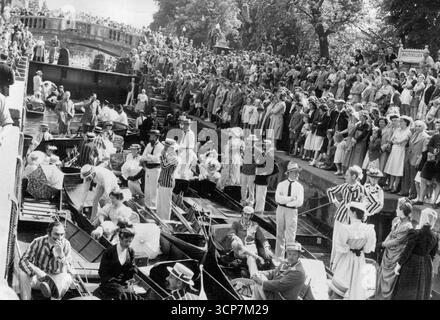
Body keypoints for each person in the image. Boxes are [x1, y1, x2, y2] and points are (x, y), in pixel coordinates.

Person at [327, 166, 379, 268]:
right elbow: (330, 191)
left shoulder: (362, 189)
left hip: (353, 220)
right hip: (341, 217)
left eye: (347, 175)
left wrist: (364, 212)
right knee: (337, 241)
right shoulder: (344, 186)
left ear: (354, 176)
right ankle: (333, 265)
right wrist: (335, 202)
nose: (345, 177)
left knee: (349, 244)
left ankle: (345, 266)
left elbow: (375, 203)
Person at [331, 202, 376, 300]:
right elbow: (368, 249)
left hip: (346, 259)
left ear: (353, 212)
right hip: (360, 259)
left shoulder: (345, 228)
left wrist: (334, 263)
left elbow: (341, 249)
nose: (348, 212)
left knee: (340, 287)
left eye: (349, 211)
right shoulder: (369, 229)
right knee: (357, 287)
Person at [19, 222, 74, 300]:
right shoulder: (38, 242)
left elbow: (66, 270)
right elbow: (23, 261)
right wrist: (39, 272)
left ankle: (54, 298)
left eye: (62, 234)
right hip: (39, 279)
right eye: (56, 234)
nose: (60, 238)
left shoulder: (66, 244)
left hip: (55, 283)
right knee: (23, 274)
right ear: (48, 233)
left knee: (67, 277)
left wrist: (61, 255)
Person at [393, 208, 439, 300]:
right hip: (427, 265)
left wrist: (398, 264)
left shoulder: (415, 233)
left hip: (412, 264)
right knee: (421, 291)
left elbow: (407, 250)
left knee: (407, 290)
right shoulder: (435, 236)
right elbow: (433, 255)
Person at [375, 200, 413, 300]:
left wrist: (383, 244)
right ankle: (378, 295)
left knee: (390, 278)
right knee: (382, 273)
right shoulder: (397, 220)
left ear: (403, 212)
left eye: (398, 209)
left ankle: (386, 297)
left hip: (396, 253)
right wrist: (384, 244)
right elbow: (391, 234)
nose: (396, 209)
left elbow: (397, 241)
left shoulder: (407, 226)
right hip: (389, 251)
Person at [95, 222, 139, 300]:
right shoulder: (109, 252)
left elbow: (131, 267)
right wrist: (112, 280)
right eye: (126, 241)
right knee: (121, 292)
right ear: (120, 239)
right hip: (109, 282)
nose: (128, 244)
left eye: (130, 241)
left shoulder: (131, 251)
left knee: (131, 294)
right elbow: (102, 271)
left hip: (123, 281)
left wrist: (131, 276)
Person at [229, 206, 274, 276]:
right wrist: (236, 238)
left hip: (253, 251)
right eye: (245, 214)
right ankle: (255, 276)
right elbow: (231, 234)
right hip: (241, 252)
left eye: (248, 214)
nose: (246, 216)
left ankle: (260, 274)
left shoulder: (255, 225)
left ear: (251, 216)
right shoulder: (236, 224)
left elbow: (262, 238)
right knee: (236, 244)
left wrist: (266, 248)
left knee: (268, 255)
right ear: (242, 214)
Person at [274, 162, 304, 263]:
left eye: (297, 173)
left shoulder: (299, 187)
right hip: (280, 210)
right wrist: (291, 199)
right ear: (290, 173)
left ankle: (289, 259)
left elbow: (299, 202)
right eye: (295, 172)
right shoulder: (281, 184)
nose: (297, 175)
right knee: (279, 234)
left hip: (292, 211)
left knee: (291, 235)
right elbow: (278, 199)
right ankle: (278, 258)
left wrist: (286, 201)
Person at [139, 130, 164, 210]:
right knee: (147, 188)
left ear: (157, 137)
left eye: (153, 136)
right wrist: (149, 157)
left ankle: (153, 206)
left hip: (155, 169)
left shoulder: (160, 146)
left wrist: (148, 156)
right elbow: (143, 157)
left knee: (153, 189)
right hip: (148, 168)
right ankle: (147, 205)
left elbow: (156, 159)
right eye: (150, 136)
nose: (151, 137)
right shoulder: (149, 145)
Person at [157, 138, 179, 220]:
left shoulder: (174, 157)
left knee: (165, 204)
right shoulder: (169, 156)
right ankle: (159, 220)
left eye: (167, 146)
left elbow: (164, 166)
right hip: (163, 182)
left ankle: (165, 222)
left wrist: (162, 156)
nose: (165, 148)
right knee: (160, 203)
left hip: (167, 183)